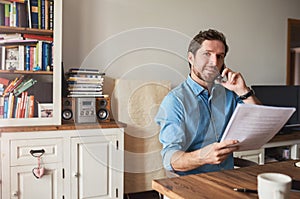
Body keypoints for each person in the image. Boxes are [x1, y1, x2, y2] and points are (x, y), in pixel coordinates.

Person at [155, 29, 261, 176]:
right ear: (191, 58)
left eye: (220, 56)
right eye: (207, 54)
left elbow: (260, 123)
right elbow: (169, 159)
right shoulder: (175, 101)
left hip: (228, 178)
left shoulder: (229, 94)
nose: (214, 62)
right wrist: (203, 156)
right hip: (193, 183)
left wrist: (243, 91)